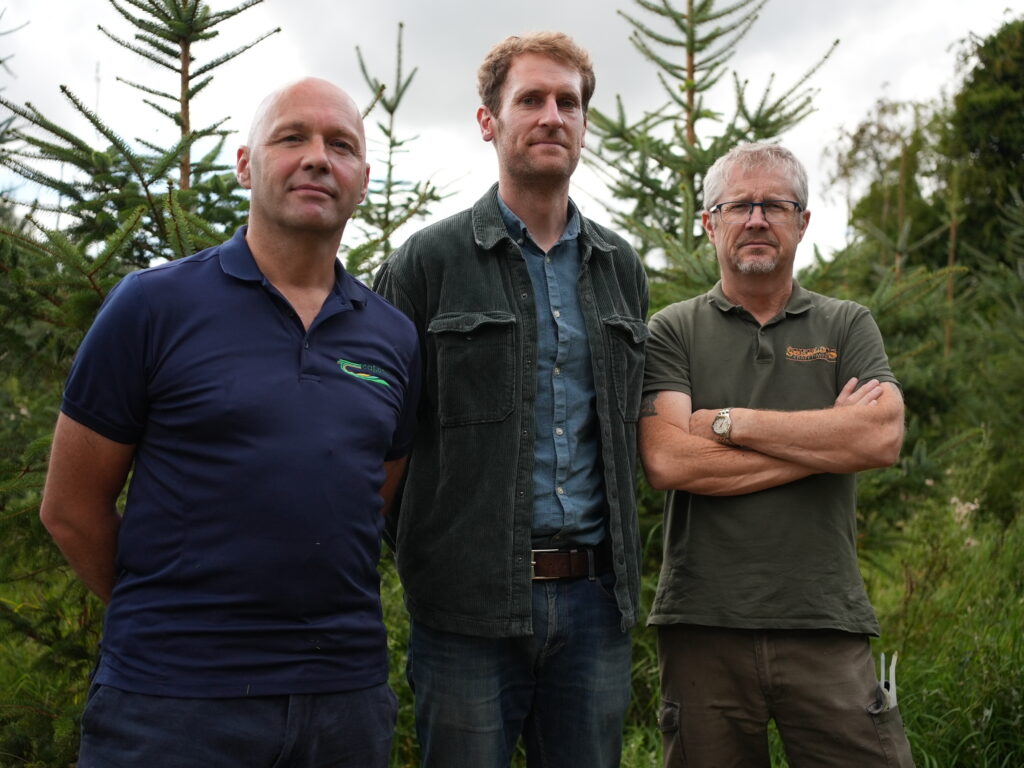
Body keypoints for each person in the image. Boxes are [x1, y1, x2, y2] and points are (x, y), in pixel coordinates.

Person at [39, 77, 420, 767]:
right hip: (169, 709)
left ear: (363, 178)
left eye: (340, 145)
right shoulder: (152, 306)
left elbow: (371, 494)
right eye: (291, 138)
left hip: (344, 705)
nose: (316, 158)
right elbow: (70, 507)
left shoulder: (393, 338)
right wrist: (167, 625)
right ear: (246, 164)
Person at [374, 31, 648, 768]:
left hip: (595, 606)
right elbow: (380, 440)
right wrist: (434, 558)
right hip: (465, 613)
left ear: (585, 125)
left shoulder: (620, 268)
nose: (552, 115)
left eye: (568, 102)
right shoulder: (426, 262)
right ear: (488, 121)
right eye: (530, 99)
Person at [639, 141, 915, 767]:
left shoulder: (847, 325)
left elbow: (880, 437)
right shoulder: (673, 330)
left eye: (775, 205)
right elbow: (669, 463)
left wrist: (730, 422)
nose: (757, 218)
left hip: (824, 619)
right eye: (738, 205)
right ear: (710, 223)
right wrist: (825, 445)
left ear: (803, 222)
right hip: (703, 623)